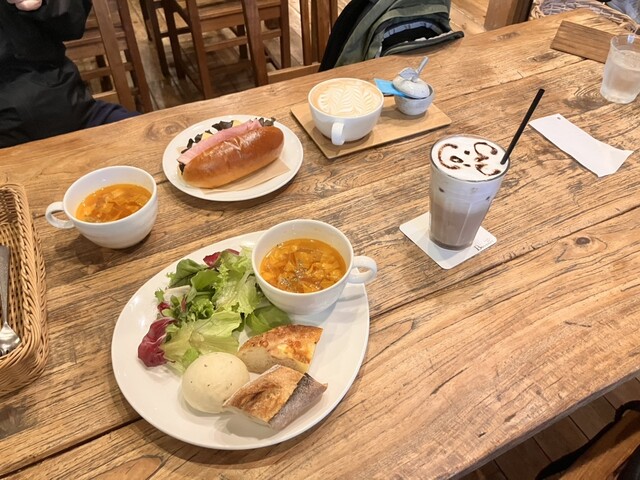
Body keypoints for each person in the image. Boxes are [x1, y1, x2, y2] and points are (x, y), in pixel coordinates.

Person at [0, 0, 140, 148]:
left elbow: (74, 20)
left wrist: (46, 3)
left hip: (71, 106)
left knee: (147, 139)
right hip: (7, 135)